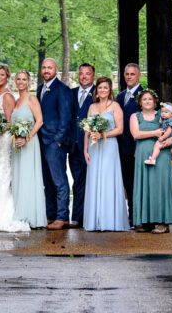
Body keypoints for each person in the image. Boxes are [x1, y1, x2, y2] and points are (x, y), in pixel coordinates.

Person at [0, 64, 30, 232]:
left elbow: (10, 122)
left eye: (2, 74)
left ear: (7, 77)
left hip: (1, 141)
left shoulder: (8, 96)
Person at [82, 76, 129, 232]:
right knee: (95, 180)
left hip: (109, 147)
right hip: (94, 149)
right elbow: (87, 131)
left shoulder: (115, 106)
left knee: (108, 180)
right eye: (100, 87)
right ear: (96, 90)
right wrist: (85, 150)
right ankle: (95, 221)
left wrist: (103, 135)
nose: (102, 90)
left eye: (105, 88)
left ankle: (110, 221)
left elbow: (120, 129)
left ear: (110, 90)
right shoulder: (92, 107)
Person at [130, 88, 172, 233]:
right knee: (144, 186)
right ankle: (144, 222)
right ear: (140, 102)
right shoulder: (135, 116)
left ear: (155, 101)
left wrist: (171, 146)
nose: (147, 101)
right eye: (144, 99)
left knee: (160, 186)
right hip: (143, 156)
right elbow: (136, 134)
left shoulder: (162, 115)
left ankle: (163, 222)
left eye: (150, 99)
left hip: (161, 155)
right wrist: (154, 133)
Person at [36, 57, 73, 229]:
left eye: (49, 68)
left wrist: (58, 141)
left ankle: (62, 217)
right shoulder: (39, 89)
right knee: (47, 181)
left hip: (54, 143)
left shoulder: (62, 90)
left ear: (56, 69)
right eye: (44, 68)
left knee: (59, 181)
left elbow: (66, 118)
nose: (46, 71)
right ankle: (50, 215)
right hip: (41, 142)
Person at [11, 69, 46, 228]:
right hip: (16, 146)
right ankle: (20, 211)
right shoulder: (17, 101)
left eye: (24, 79)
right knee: (18, 177)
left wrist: (26, 138)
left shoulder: (32, 99)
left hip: (29, 144)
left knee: (28, 178)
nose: (21, 82)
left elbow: (39, 121)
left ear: (28, 82)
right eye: (18, 79)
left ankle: (31, 215)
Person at [115, 62, 143, 226]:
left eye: (132, 74)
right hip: (120, 147)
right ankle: (128, 214)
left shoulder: (143, 95)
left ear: (138, 75)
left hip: (135, 147)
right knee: (126, 182)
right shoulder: (119, 96)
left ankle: (136, 216)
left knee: (135, 183)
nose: (129, 77)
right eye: (127, 74)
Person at [68, 62, 95, 227]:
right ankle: (77, 217)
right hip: (73, 145)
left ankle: (92, 216)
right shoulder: (71, 93)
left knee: (93, 181)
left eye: (87, 73)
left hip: (93, 146)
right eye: (81, 73)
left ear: (93, 76)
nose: (84, 76)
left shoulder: (98, 93)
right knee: (77, 181)